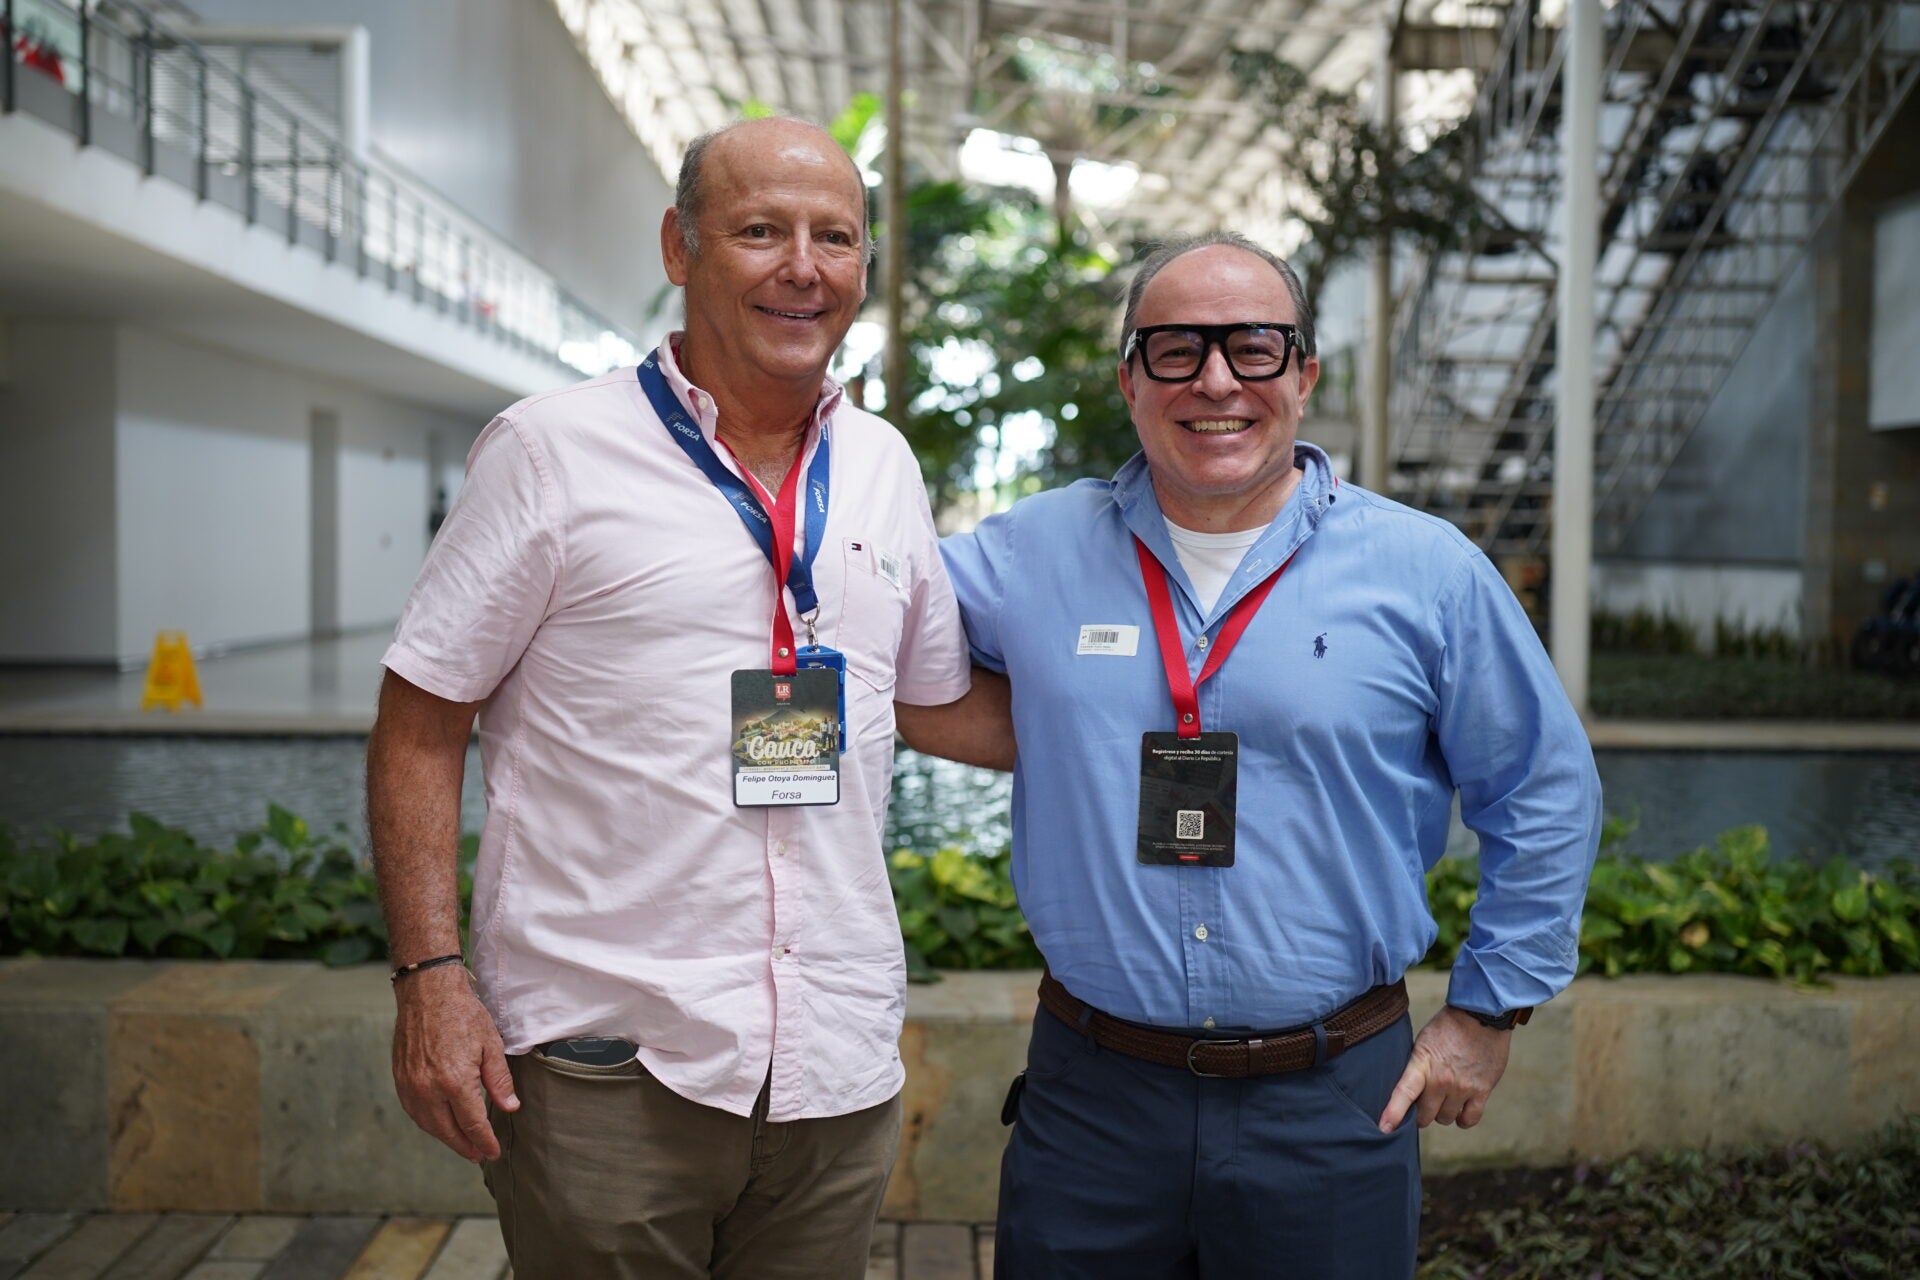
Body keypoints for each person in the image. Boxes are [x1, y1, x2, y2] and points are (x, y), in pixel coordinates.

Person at [898, 233, 1602, 1278]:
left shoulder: (1427, 572)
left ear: (1305, 374)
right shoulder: (1028, 552)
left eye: (1255, 348)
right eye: (1176, 350)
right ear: (1131, 378)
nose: (1217, 380)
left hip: (1328, 1105)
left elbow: (1544, 788)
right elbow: (875, 628)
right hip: (1095, 1102)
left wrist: (1487, 1006)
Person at [367, 117, 978, 1280]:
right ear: (679, 246)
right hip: (610, 1065)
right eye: (761, 230)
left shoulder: (887, 466)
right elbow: (419, 720)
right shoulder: (551, 455)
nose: (804, 265)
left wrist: (1151, 714)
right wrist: (431, 979)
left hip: (833, 1068)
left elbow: (934, 697)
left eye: (835, 237)